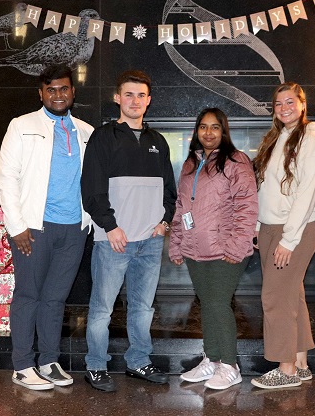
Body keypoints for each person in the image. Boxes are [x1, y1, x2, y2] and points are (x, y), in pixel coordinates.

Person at [0, 64, 94, 391]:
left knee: (55, 298)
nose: (57, 95)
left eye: (63, 89)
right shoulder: (21, 126)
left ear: (72, 91)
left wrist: (88, 223)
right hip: (34, 228)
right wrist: (17, 226)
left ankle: (49, 361)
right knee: (29, 295)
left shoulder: (85, 131)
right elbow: (6, 179)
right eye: (50, 90)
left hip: (73, 229)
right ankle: (23, 365)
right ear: (41, 93)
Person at [81, 70, 176, 392]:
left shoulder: (157, 142)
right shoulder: (103, 137)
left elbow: (169, 190)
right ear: (117, 98)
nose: (135, 101)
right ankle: (95, 365)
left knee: (142, 308)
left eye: (141, 95)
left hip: (149, 241)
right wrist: (110, 226)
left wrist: (165, 222)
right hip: (114, 240)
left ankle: (138, 361)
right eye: (129, 95)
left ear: (148, 101)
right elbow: (91, 187)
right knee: (102, 309)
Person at [169, 108, 258, 391]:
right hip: (196, 249)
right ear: (197, 131)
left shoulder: (236, 161)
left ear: (224, 131)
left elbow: (247, 206)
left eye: (215, 127)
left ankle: (230, 365)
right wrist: (177, 242)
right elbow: (181, 207)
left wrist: (237, 245)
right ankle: (212, 358)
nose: (208, 133)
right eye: (203, 127)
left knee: (218, 303)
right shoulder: (190, 163)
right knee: (207, 304)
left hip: (225, 249)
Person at [250, 82, 315, 389]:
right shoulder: (276, 137)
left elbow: (308, 193)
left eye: (290, 102)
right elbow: (266, 188)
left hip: (296, 229)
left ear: (303, 104)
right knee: (291, 295)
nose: (284, 108)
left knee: (275, 298)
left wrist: (288, 240)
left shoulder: (312, 139)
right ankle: (300, 363)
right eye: (279, 103)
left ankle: (286, 370)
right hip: (271, 228)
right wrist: (259, 225)